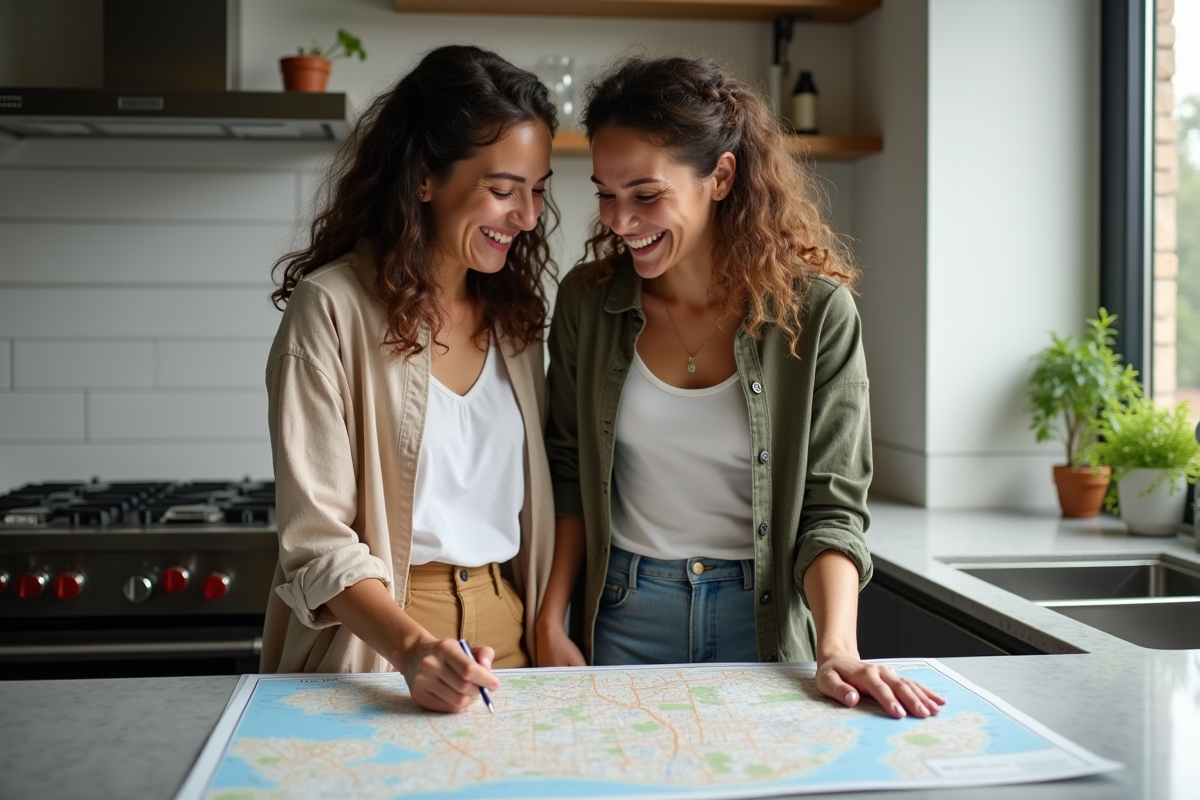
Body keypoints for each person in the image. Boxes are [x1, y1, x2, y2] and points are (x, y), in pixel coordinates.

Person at [534, 55, 944, 719]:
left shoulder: (816, 314)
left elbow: (831, 506)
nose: (619, 220)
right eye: (606, 194)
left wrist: (837, 645)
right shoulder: (587, 304)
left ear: (720, 176)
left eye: (645, 195)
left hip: (764, 621)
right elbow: (567, 467)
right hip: (622, 616)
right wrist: (551, 618)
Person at [258, 45, 558, 714]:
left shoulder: (516, 321)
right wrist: (413, 650)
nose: (529, 217)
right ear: (425, 176)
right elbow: (317, 542)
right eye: (505, 190)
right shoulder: (330, 308)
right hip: (372, 651)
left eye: (538, 192)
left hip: (509, 648)